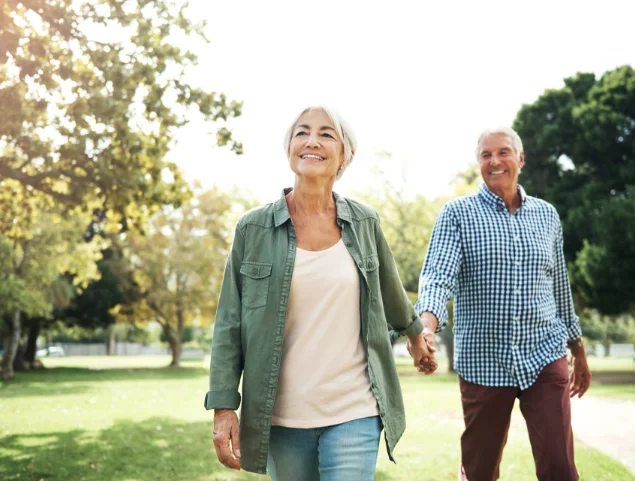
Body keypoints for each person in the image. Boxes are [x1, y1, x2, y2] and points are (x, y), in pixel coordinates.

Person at [205, 106, 436, 480]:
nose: (312, 140)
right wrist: (223, 407)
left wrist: (414, 337)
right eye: (302, 132)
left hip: (354, 408)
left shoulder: (364, 222)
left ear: (345, 154)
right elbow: (229, 324)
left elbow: (390, 293)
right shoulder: (253, 229)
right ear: (290, 149)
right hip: (281, 417)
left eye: (326, 134)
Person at [415, 127, 591, 481]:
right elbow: (437, 277)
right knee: (480, 469)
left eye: (503, 152)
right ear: (479, 163)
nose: (494, 161)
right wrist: (425, 327)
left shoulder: (546, 215)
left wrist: (578, 348)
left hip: (545, 353)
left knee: (560, 466)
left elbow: (559, 286)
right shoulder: (457, 215)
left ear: (520, 159)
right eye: (485, 155)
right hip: (484, 360)